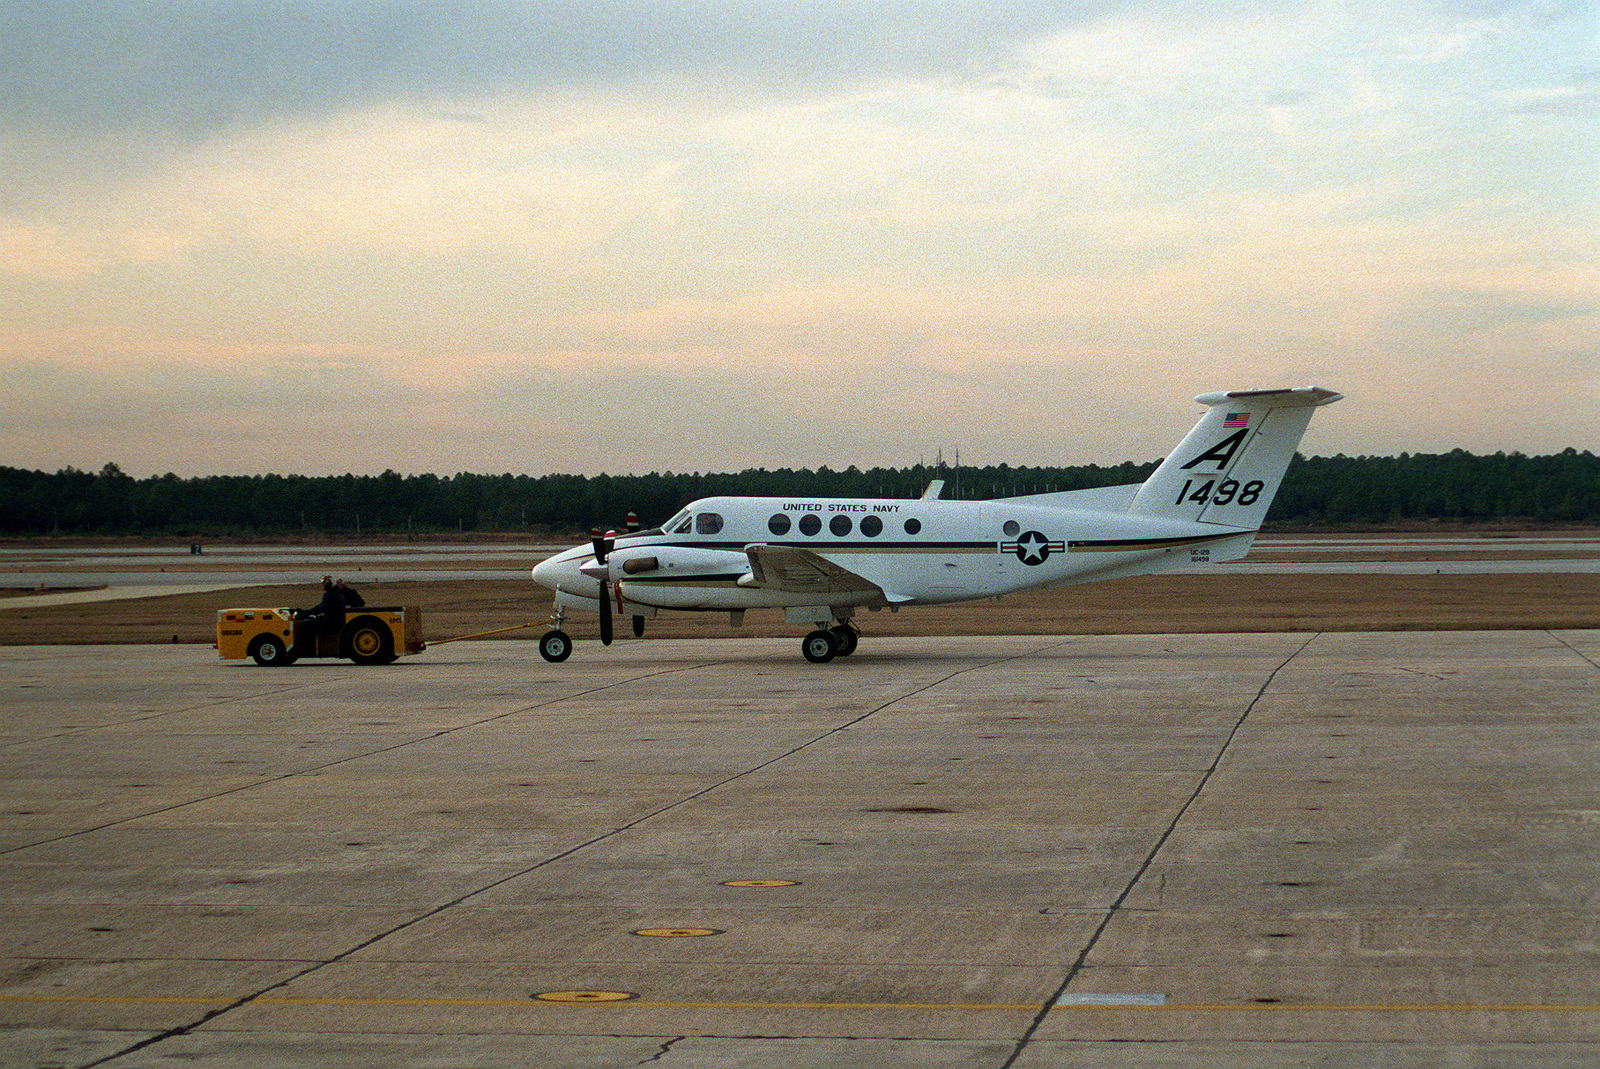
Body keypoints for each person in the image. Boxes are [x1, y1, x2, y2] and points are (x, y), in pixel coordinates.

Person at [293, 575, 345, 654]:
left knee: (305, 624)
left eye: (322, 584)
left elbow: (320, 608)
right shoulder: (336, 593)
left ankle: (307, 648)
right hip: (335, 621)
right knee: (314, 620)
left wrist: (305, 613)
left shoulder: (329, 595)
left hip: (331, 623)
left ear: (327, 585)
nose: (321, 586)